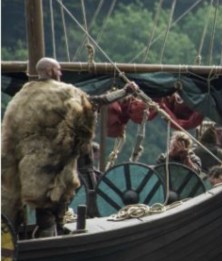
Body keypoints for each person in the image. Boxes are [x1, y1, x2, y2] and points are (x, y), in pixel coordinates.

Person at [1, 57, 138, 237]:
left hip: (22, 165)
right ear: (50, 71)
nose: (60, 73)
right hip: (51, 164)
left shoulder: (21, 96)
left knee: (21, 211)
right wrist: (124, 92)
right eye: (58, 70)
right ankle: (51, 242)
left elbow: (9, 134)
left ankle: (15, 239)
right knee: (50, 211)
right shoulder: (63, 92)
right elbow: (93, 102)